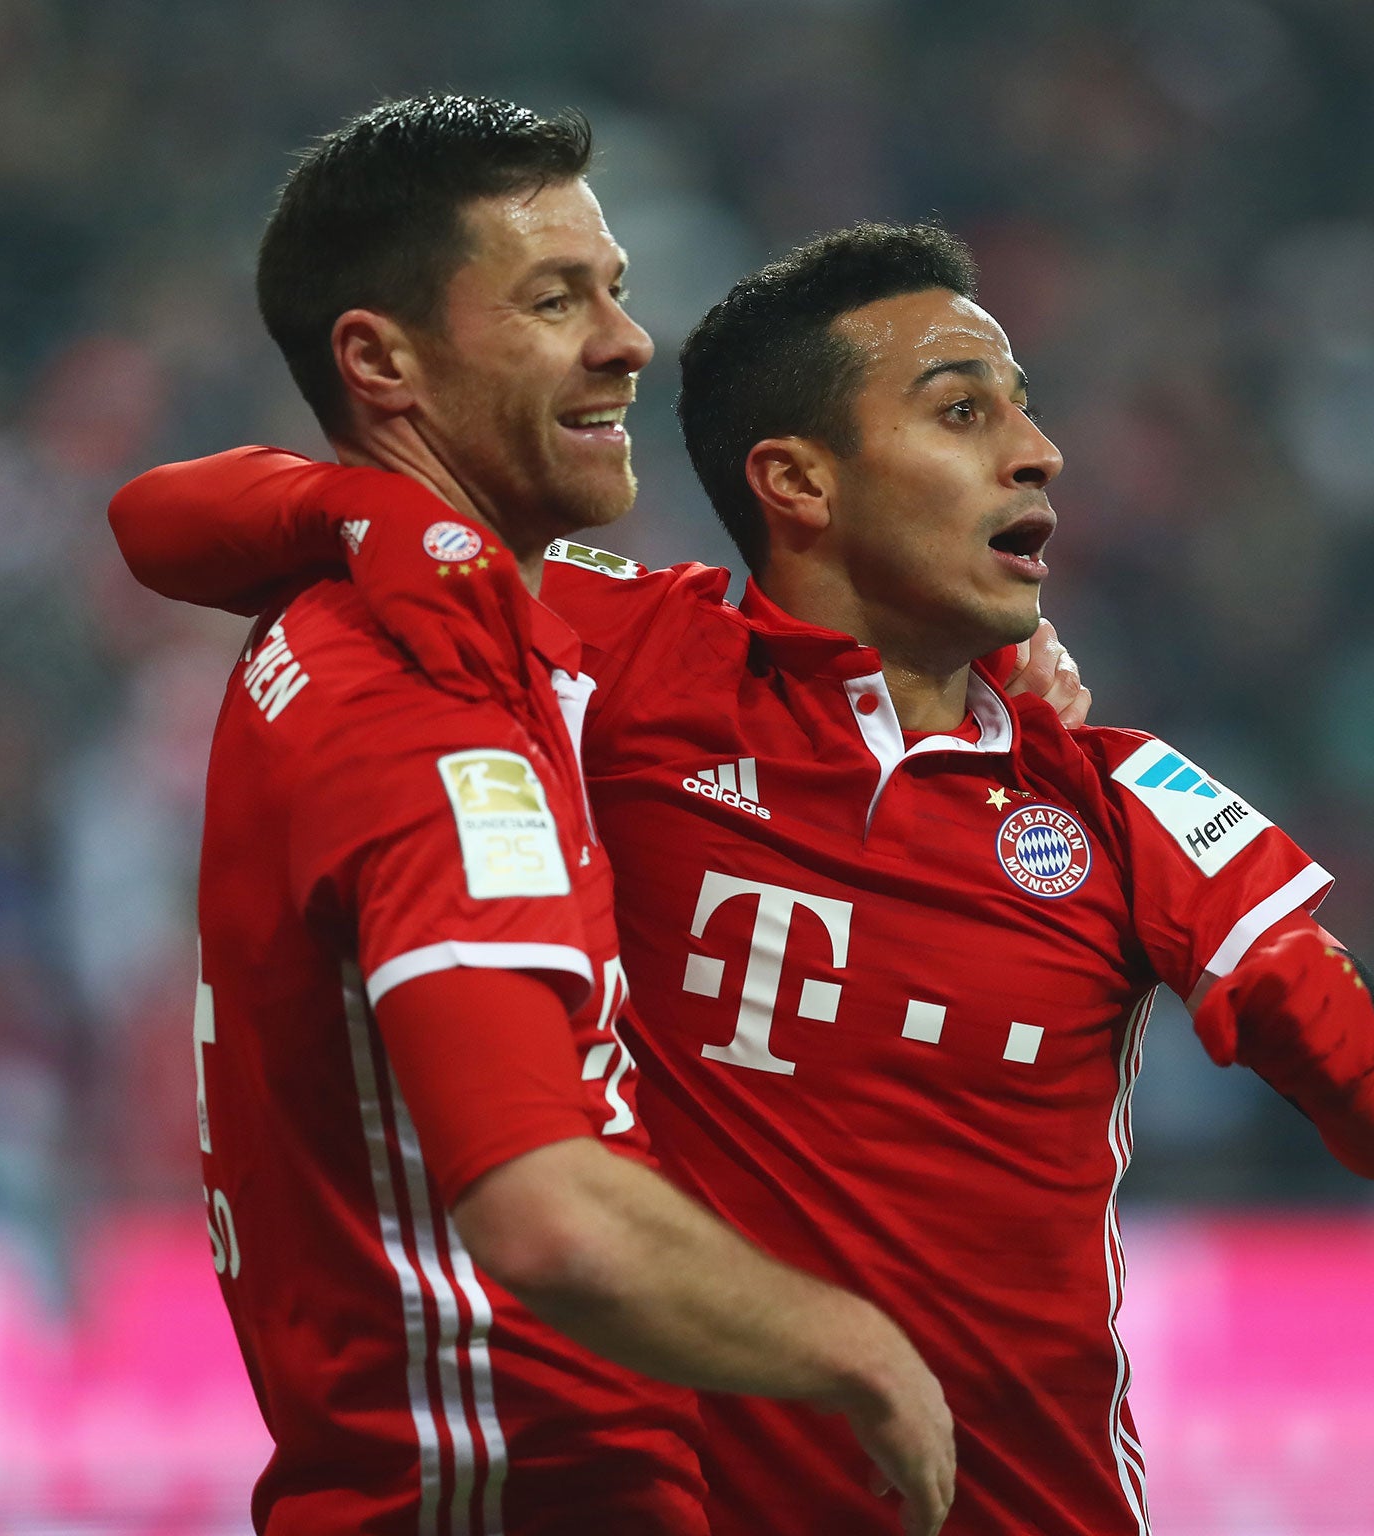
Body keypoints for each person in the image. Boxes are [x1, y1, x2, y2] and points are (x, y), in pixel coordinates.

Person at [115, 186, 1374, 1536]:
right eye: (964, 410)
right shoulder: (625, 661)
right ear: (797, 481)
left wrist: (1325, 1006)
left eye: (1022, 405)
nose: (1040, 452)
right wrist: (366, 517)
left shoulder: (1117, 803)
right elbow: (159, 524)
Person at [164, 96, 959, 1536]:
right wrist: (861, 1351)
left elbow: (157, 516)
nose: (627, 340)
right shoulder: (423, 707)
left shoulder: (463, 608)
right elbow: (547, 1213)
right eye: (554, 299)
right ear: (381, 362)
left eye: (617, 288)